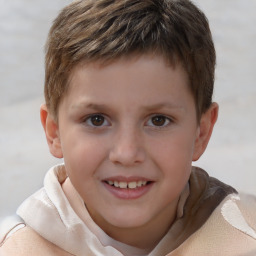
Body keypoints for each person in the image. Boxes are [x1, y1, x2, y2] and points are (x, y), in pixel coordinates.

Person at [1, 0, 256, 255]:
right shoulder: (15, 249)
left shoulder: (245, 239)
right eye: (97, 120)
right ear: (53, 131)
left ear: (201, 132)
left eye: (158, 120)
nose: (126, 153)